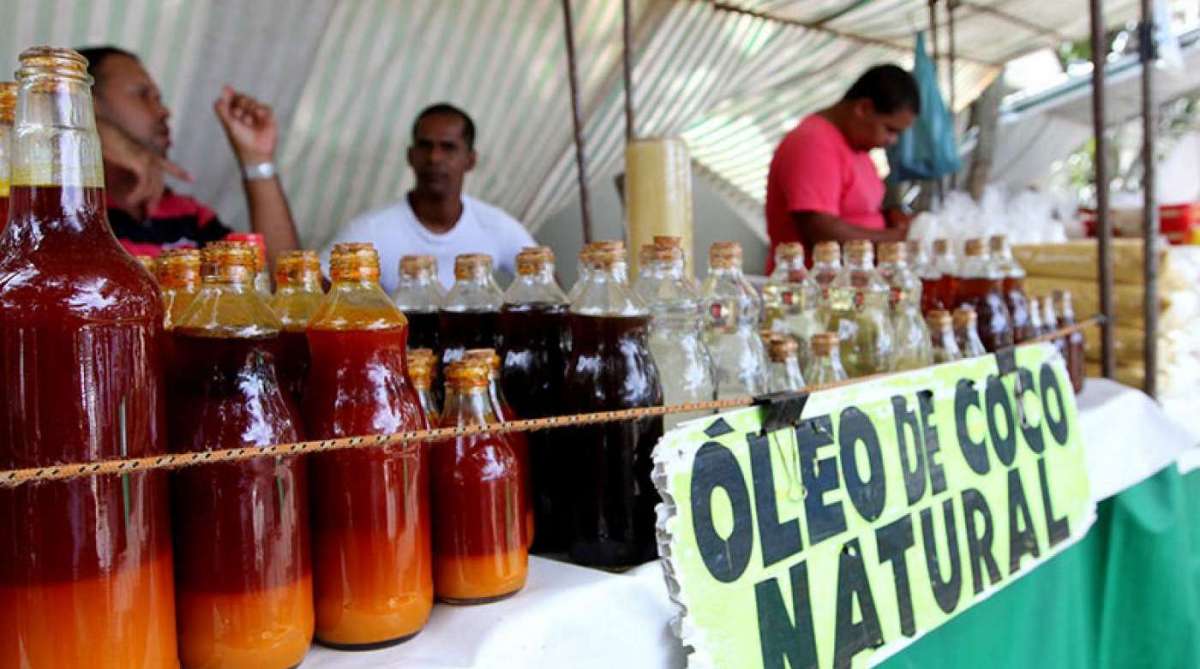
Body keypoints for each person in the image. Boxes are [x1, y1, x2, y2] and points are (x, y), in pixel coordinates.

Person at [77, 46, 300, 259]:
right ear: (86, 101)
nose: (164, 111)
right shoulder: (62, 206)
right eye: (142, 94)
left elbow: (282, 282)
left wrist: (256, 159)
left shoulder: (188, 215)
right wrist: (89, 128)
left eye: (159, 99)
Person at [325, 103, 535, 291]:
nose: (434, 158)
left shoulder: (495, 225)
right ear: (410, 156)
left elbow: (547, 287)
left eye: (448, 148)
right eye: (425, 146)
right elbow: (318, 288)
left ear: (470, 160)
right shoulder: (369, 231)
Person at [765, 64, 919, 271]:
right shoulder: (813, 143)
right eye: (890, 130)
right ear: (863, 109)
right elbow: (821, 232)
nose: (892, 140)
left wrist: (890, 218)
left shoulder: (857, 146)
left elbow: (859, 211)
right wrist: (900, 239)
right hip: (815, 291)